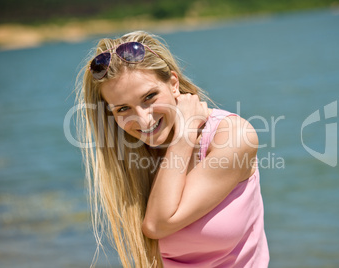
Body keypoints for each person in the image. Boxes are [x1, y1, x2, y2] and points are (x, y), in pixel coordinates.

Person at [76, 30, 269, 268]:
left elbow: (157, 225)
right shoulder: (133, 155)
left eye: (149, 97)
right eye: (123, 109)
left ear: (174, 84)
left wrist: (185, 135)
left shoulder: (233, 136)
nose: (144, 121)